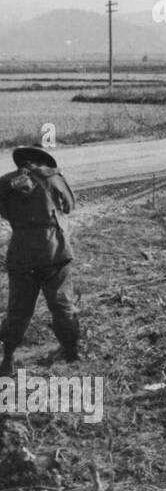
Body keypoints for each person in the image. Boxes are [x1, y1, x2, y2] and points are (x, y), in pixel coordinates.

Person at [0, 145, 80, 373]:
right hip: (55, 252)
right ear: (41, 160)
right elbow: (69, 205)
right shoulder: (53, 177)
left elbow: (4, 212)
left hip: (22, 254)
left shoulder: (5, 182)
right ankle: (72, 351)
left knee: (18, 310)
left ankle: (8, 358)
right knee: (62, 304)